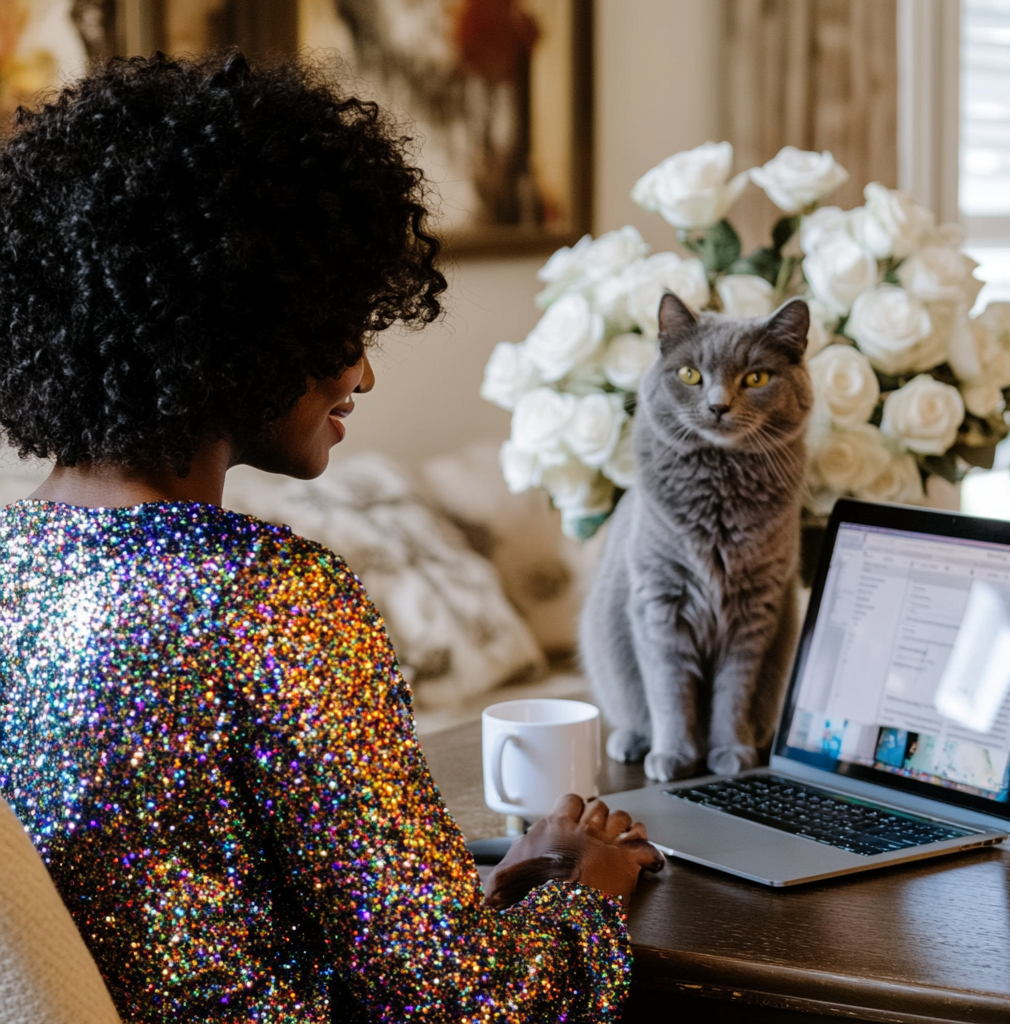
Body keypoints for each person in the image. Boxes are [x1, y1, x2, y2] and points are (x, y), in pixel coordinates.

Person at [0, 51, 664, 1023]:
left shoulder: (13, 560)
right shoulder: (271, 602)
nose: (361, 371)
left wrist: (500, 886)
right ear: (236, 331)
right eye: (338, 326)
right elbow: (466, 1005)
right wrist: (590, 892)